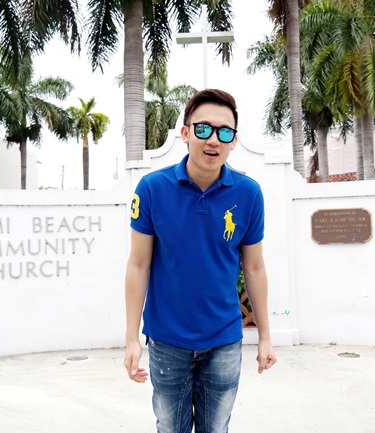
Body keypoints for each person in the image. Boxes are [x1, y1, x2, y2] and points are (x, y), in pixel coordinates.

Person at [124, 88, 277, 433]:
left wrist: (265, 336)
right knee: (170, 428)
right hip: (167, 340)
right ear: (185, 133)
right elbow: (138, 265)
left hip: (224, 339)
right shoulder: (152, 189)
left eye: (225, 132)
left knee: (216, 429)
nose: (213, 140)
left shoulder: (248, 194)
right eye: (203, 128)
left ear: (234, 140)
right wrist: (132, 338)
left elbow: (254, 267)